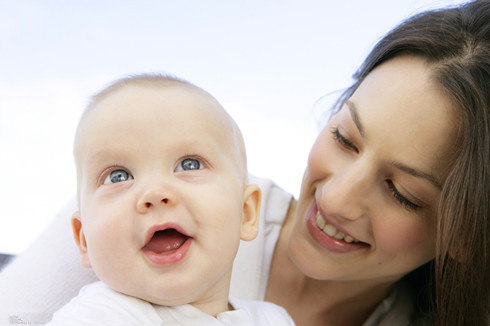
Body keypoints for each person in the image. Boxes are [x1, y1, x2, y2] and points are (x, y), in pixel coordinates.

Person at [0, 0, 488, 325]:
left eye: (402, 192)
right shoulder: (133, 216)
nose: (334, 197)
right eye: (344, 137)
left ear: (469, 233)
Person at [44, 74, 295, 325]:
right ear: (84, 239)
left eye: (189, 164)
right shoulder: (100, 316)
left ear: (246, 213)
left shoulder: (274, 318)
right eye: (117, 176)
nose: (155, 193)